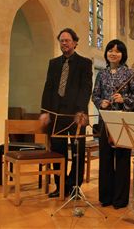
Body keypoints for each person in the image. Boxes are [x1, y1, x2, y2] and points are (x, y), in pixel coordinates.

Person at [39, 28, 93, 198]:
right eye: (61, 40)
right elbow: (48, 88)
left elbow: (86, 89)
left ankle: (75, 186)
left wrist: (81, 112)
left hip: (76, 115)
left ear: (75, 43)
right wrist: (44, 112)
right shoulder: (53, 63)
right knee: (58, 152)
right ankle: (60, 186)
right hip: (56, 115)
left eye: (67, 40)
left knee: (78, 152)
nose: (64, 43)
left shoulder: (84, 63)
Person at [92, 39, 134, 209]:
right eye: (110, 50)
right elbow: (95, 95)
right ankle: (106, 197)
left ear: (122, 55)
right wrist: (101, 103)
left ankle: (120, 199)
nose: (113, 53)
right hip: (105, 119)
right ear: (106, 53)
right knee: (105, 158)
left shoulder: (129, 73)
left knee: (122, 159)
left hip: (122, 119)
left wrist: (124, 99)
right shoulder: (101, 74)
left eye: (117, 51)